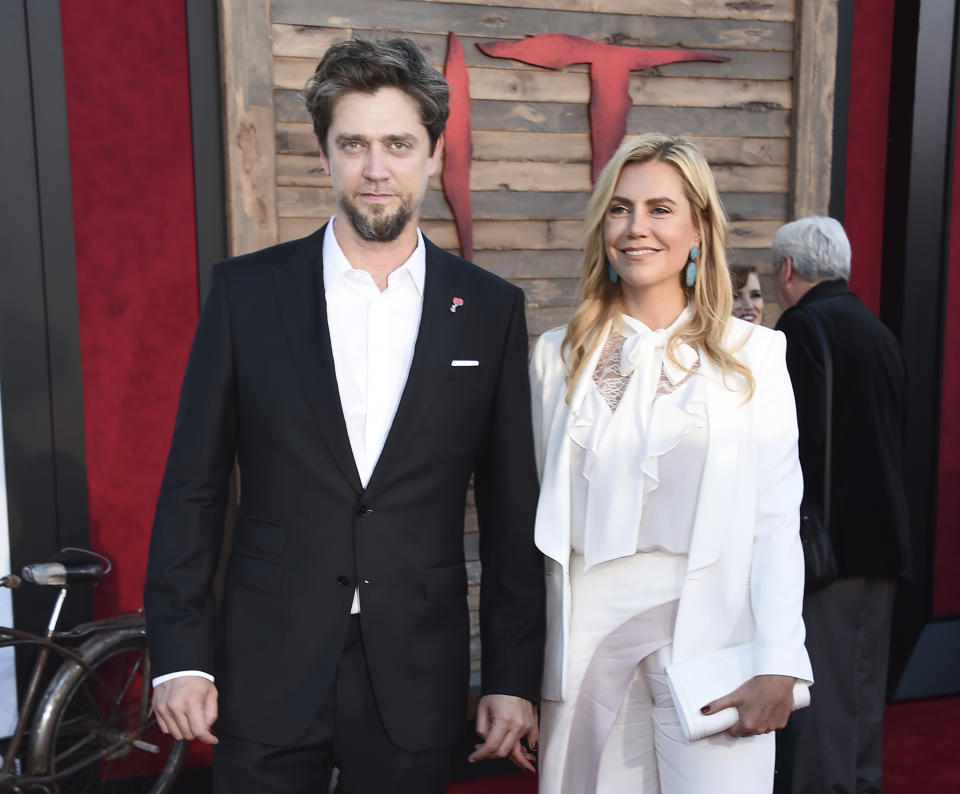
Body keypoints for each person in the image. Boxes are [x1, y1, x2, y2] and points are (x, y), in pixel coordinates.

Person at [144, 38, 544, 794]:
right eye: (353, 144)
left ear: (433, 155)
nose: (375, 169)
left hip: (417, 670)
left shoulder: (488, 309)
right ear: (324, 157)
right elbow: (192, 489)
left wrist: (511, 675)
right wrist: (183, 657)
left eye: (398, 144)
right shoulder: (246, 294)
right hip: (264, 662)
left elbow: (510, 509)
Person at [529, 133, 812, 794]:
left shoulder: (756, 356)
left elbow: (776, 520)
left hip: (716, 634)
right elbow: (533, 518)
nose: (636, 228)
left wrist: (779, 659)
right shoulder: (554, 357)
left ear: (698, 229)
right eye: (620, 209)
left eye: (659, 209)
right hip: (584, 640)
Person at [772, 216, 910, 794]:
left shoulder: (802, 328)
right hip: (883, 539)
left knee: (823, 696)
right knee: (861, 690)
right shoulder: (876, 330)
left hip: (828, 544)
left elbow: (790, 442)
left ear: (787, 269)